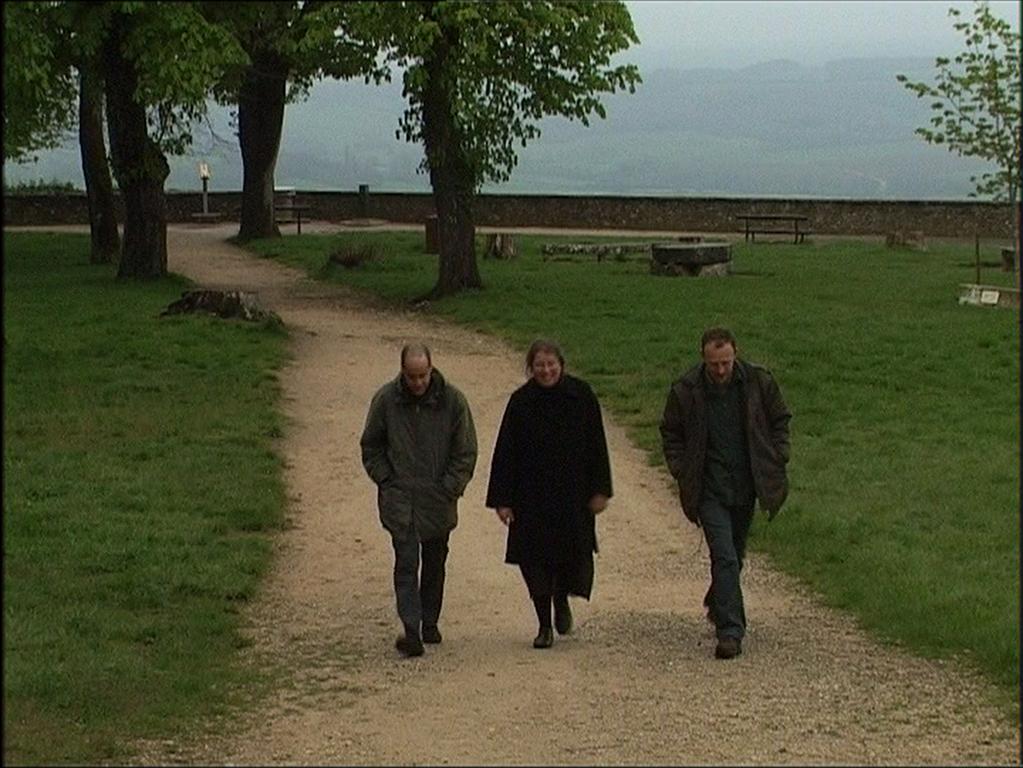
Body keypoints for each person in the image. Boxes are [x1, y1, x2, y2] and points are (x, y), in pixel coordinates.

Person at [660, 327, 791, 660]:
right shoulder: (686, 390)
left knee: (736, 552)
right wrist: (681, 468)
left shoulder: (759, 383)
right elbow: (671, 433)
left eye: (726, 363)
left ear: (736, 354)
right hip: (709, 489)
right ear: (703, 358)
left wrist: (778, 455)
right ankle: (730, 631)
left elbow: (780, 419)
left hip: (746, 485)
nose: (720, 370)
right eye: (714, 364)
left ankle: (718, 598)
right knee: (725, 555)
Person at [486, 339, 613, 649]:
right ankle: (543, 624)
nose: (546, 371)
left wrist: (600, 489)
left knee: (570, 557)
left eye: (551, 364)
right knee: (533, 560)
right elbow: (505, 452)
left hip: (572, 494)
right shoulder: (520, 402)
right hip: (531, 497)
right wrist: (502, 500)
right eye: (539, 365)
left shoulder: (581, 396)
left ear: (562, 365)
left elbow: (597, 445)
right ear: (531, 368)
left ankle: (562, 599)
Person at [360, 343, 478, 657]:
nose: (417, 383)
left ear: (431, 369)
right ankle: (411, 629)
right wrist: (386, 479)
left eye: (422, 376)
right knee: (406, 563)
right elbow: (371, 445)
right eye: (411, 377)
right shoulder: (386, 401)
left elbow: (465, 451)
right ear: (402, 372)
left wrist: (450, 487)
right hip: (400, 501)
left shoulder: (453, 402)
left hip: (437, 499)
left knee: (435, 562)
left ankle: (430, 620)